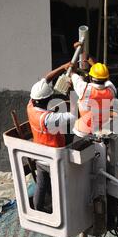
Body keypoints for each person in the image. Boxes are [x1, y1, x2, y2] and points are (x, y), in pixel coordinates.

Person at [27, 62, 76, 213]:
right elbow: (73, 115)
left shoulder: (30, 106)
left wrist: (63, 67)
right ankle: (59, 211)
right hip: (53, 159)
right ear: (48, 100)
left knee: (41, 185)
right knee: (58, 186)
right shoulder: (48, 119)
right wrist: (72, 92)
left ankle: (38, 209)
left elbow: (46, 79)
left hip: (39, 155)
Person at [71, 42, 116, 139]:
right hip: (101, 132)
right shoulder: (111, 89)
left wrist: (77, 51)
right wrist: (93, 64)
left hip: (82, 133)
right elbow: (105, 78)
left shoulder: (84, 89)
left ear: (90, 77)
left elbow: (72, 71)